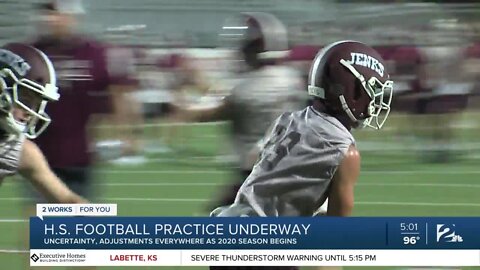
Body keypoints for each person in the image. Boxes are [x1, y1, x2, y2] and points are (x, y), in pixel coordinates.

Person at [210, 40, 393, 219]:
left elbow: (254, 161)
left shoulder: (289, 119)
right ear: (352, 92)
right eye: (372, 90)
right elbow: (337, 231)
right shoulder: (344, 151)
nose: (375, 100)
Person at [176, 12, 305, 210]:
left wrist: (179, 99)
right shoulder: (291, 78)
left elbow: (208, 113)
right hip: (292, 167)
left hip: (257, 172)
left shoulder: (247, 87)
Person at [26, 0, 139, 202]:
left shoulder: (93, 53)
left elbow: (116, 93)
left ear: (72, 17)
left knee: (82, 220)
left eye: (56, 14)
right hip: (39, 156)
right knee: (39, 223)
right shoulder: (32, 52)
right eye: (46, 14)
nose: (50, 19)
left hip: (80, 155)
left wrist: (125, 133)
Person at [0, 42, 86, 204]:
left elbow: (67, 201)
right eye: (25, 99)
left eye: (36, 103)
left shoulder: (18, 149)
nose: (29, 112)